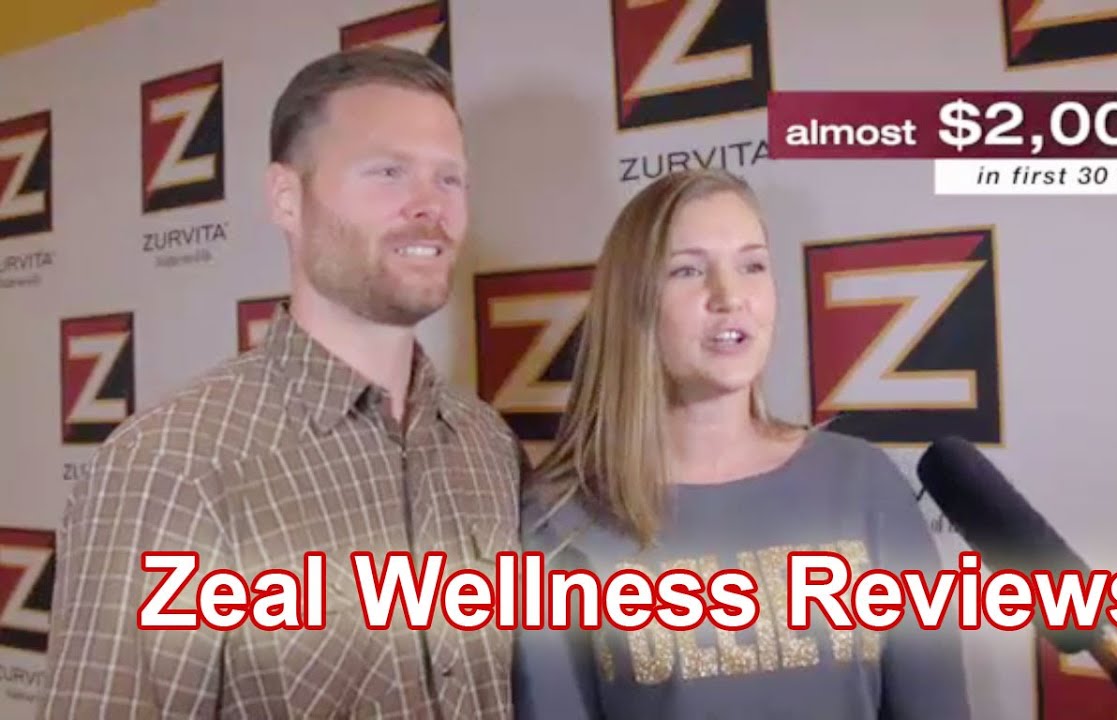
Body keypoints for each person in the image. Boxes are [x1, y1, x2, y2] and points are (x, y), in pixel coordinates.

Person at [39, 47, 524, 719]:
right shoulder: (171, 471)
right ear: (286, 199)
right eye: (387, 172)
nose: (429, 205)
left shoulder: (489, 446)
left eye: (450, 178)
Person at [513, 168, 971, 719]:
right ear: (632, 303)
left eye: (752, 265)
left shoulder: (864, 485)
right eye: (687, 270)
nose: (730, 297)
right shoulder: (559, 521)